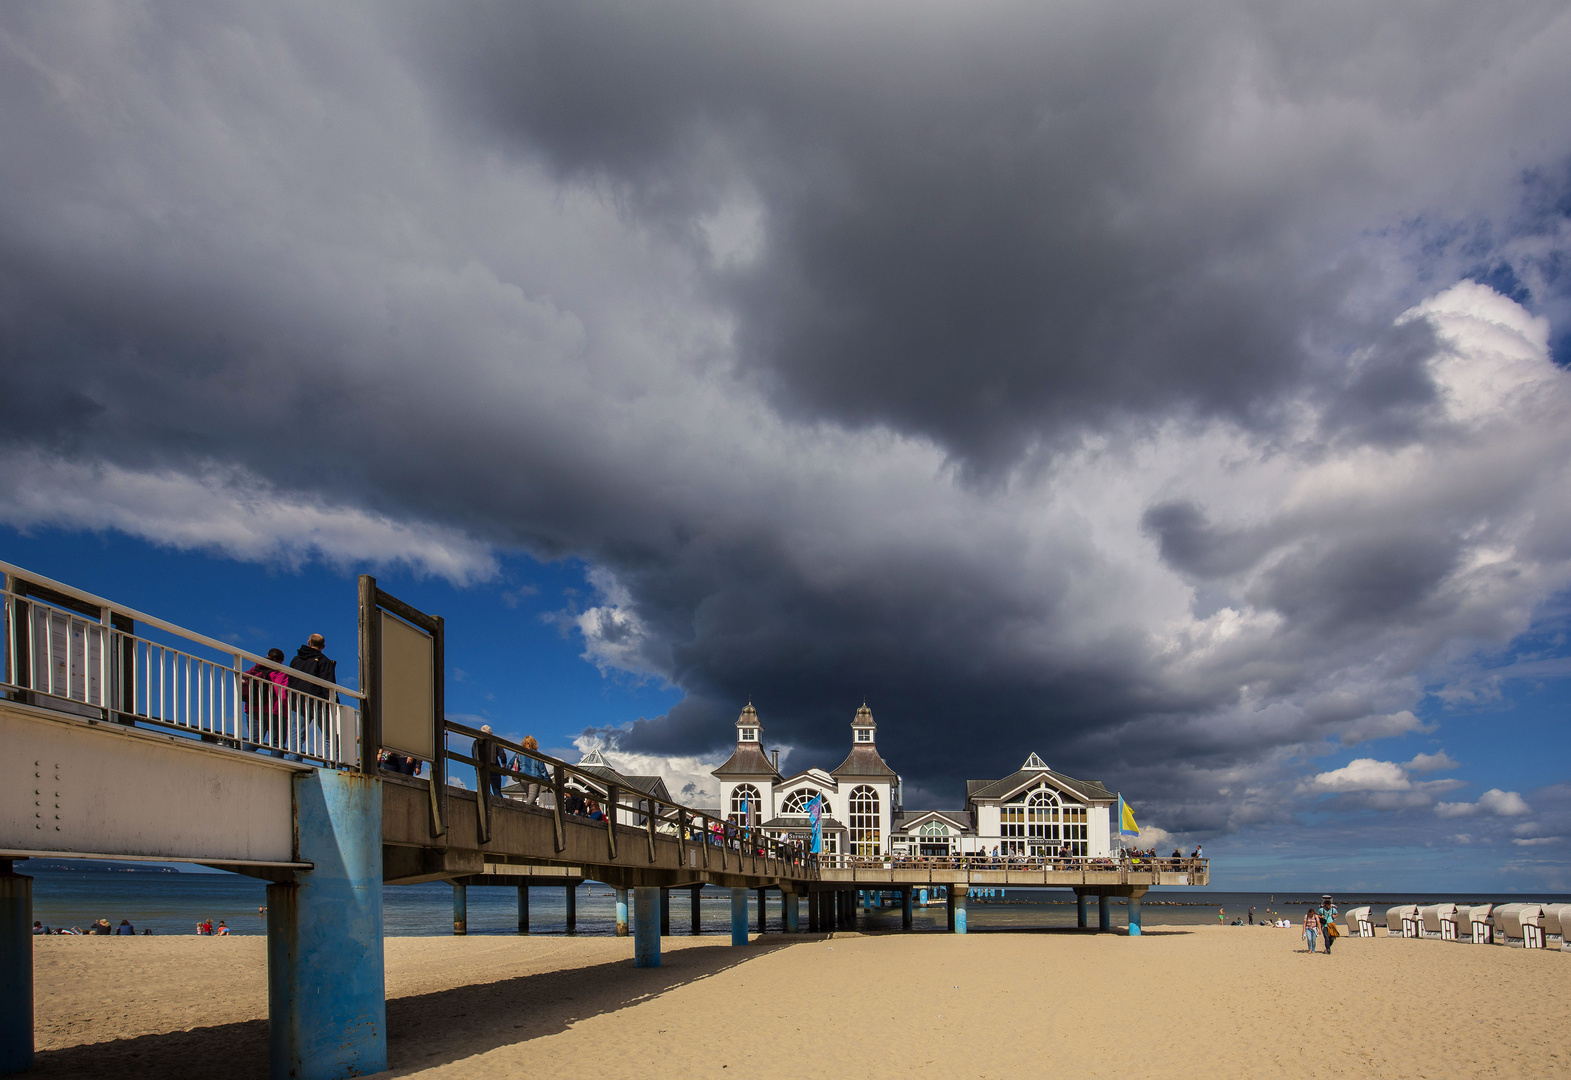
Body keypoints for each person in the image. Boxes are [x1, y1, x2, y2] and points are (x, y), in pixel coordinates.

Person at [287, 634, 338, 761]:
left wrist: (292, 697)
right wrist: (333, 702)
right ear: (323, 646)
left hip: (298, 699)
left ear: (308, 642)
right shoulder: (324, 661)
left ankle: (294, 759)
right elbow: (328, 682)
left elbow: (290, 678)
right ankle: (332, 762)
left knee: (297, 733)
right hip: (319, 701)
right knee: (329, 735)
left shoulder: (296, 659)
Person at [241, 648, 288, 754]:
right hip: (274, 710)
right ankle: (277, 767)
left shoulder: (255, 669)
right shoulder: (279, 673)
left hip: (252, 707)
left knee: (254, 740)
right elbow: (282, 694)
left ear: (267, 656)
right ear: (281, 661)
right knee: (277, 743)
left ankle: (238, 756)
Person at [516, 736, 549, 805]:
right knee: (532, 795)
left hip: (523, 776)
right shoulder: (537, 754)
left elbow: (512, 762)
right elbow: (542, 769)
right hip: (534, 778)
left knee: (529, 795)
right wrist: (548, 781)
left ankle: (530, 809)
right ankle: (525, 810)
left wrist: (506, 770)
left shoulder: (519, 753)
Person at [477, 725, 506, 799]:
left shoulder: (476, 742)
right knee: (496, 791)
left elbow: (474, 754)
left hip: (481, 767)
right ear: (491, 733)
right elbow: (502, 754)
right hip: (494, 767)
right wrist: (504, 765)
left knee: (483, 789)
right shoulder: (494, 741)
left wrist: (476, 766)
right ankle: (499, 806)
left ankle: (484, 801)